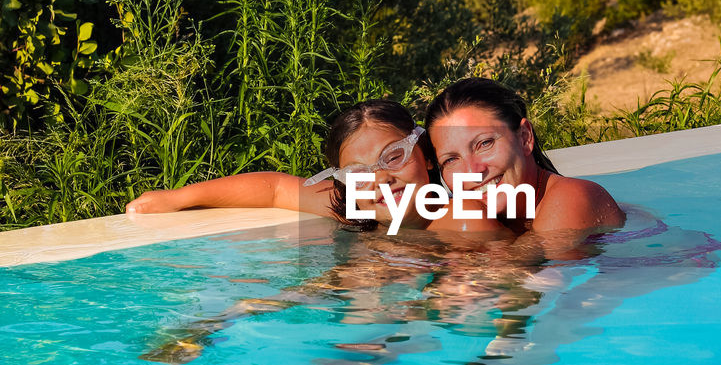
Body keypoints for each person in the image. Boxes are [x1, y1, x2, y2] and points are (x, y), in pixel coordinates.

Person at [126, 98, 509, 241]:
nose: (379, 179)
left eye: (393, 157)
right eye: (358, 173)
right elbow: (275, 188)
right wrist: (175, 198)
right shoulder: (358, 211)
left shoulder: (464, 219)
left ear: (425, 154)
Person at [424, 77, 624, 236]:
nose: (472, 172)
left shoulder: (571, 197)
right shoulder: (485, 219)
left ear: (525, 137)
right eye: (450, 160)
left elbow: (530, 280)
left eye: (485, 144)